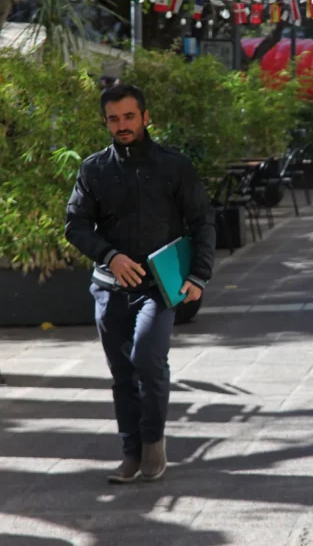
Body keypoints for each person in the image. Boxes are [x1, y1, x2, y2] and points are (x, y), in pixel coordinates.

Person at [65, 84, 216, 484]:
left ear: (146, 117)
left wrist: (199, 274)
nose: (122, 125)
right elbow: (75, 225)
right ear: (106, 122)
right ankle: (131, 451)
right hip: (109, 286)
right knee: (121, 372)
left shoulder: (174, 166)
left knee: (148, 360)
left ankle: (153, 442)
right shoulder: (93, 169)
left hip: (159, 286)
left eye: (129, 117)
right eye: (114, 119)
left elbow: (203, 221)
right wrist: (109, 256)